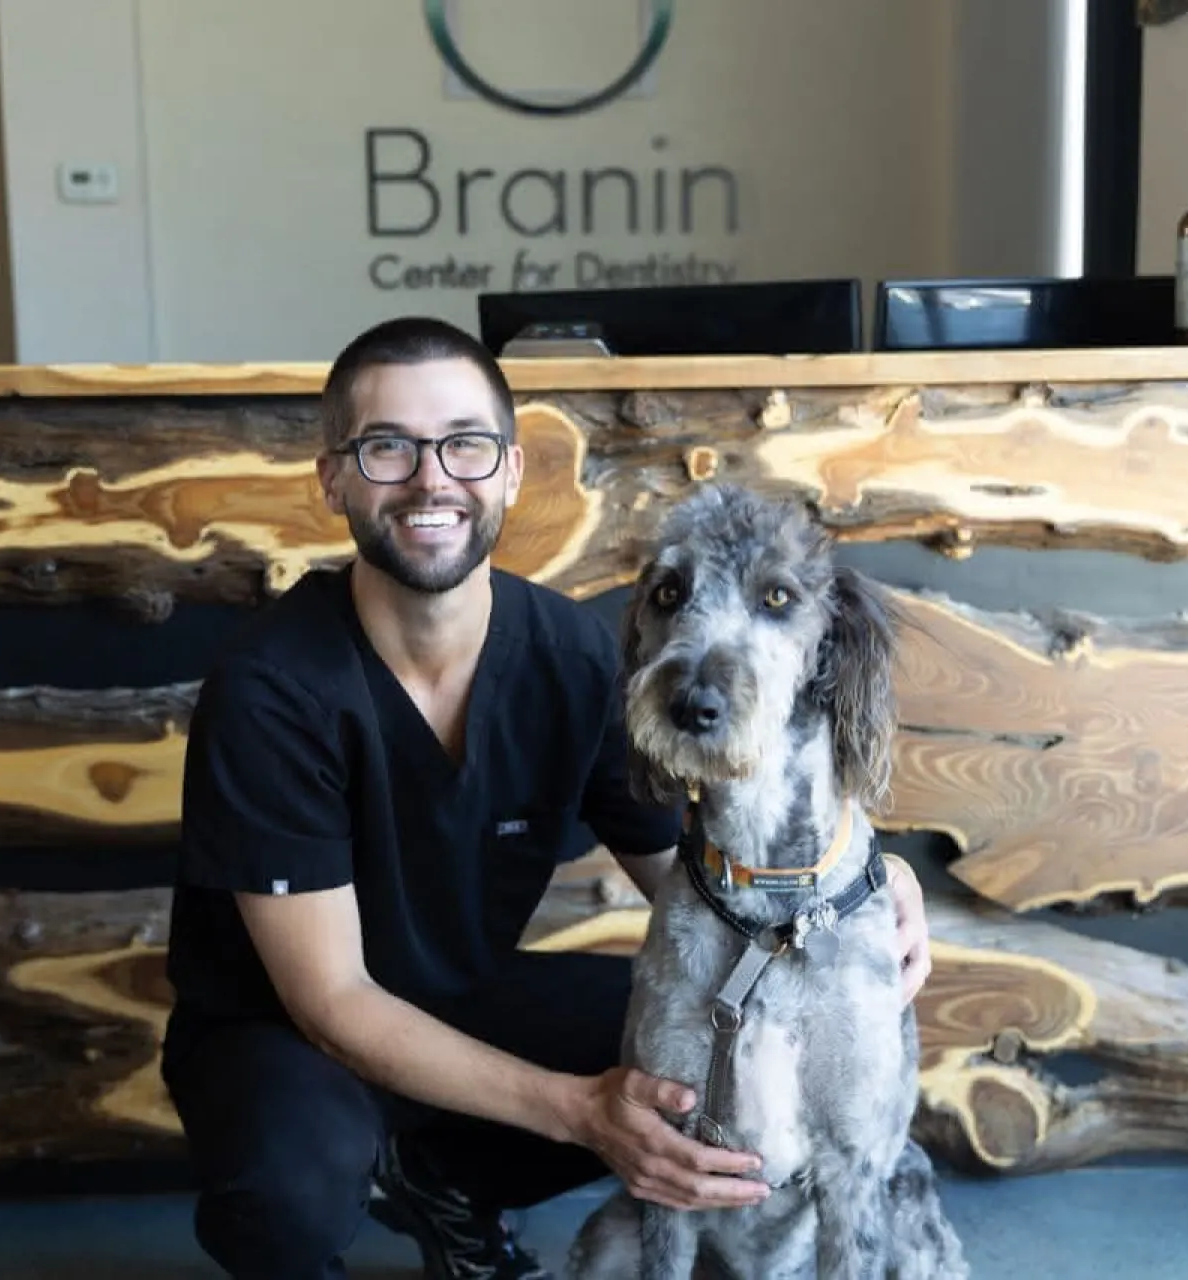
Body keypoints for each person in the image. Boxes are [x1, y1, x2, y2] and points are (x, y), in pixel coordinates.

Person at [159, 315, 932, 1280]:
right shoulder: (272, 688)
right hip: (284, 1031)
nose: (432, 479)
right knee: (289, 1188)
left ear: (512, 471)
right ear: (335, 479)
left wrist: (857, 878)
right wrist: (580, 1112)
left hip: (459, 998)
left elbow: (696, 877)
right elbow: (332, 1002)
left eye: (465, 445)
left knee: (683, 1038)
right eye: (388, 447)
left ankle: (441, 1184)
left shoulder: (571, 656)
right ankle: (317, 1212)